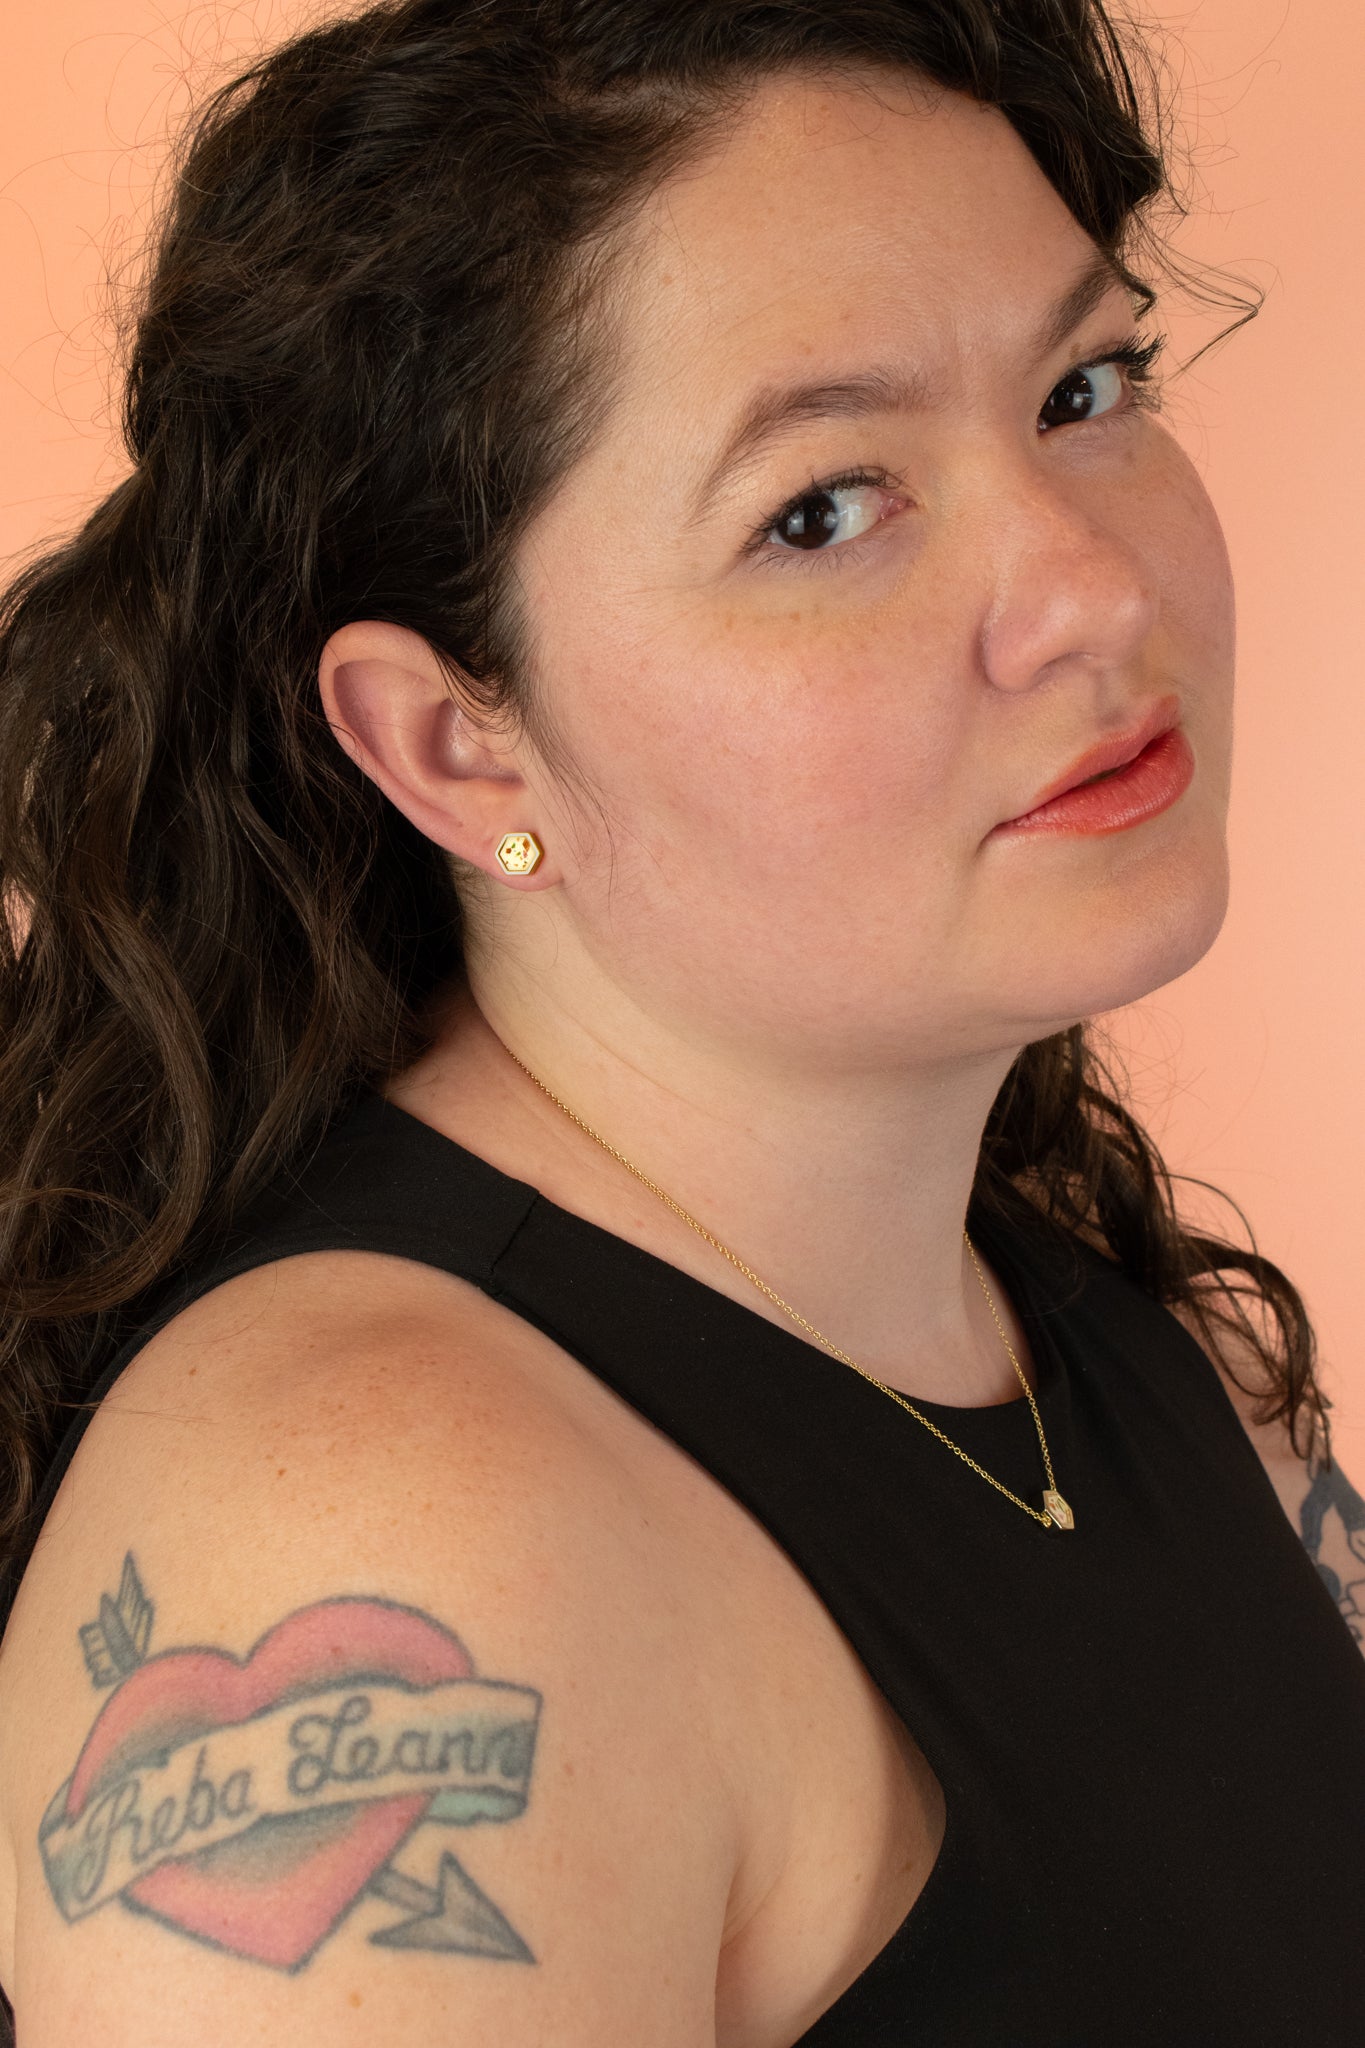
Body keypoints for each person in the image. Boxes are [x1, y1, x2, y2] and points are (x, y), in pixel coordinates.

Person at [0, 0, 1362, 2039]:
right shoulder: (388, 1529)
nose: (1086, 584)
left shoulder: (1156, 1360)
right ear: (457, 744)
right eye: (820, 509)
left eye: (1083, 384)